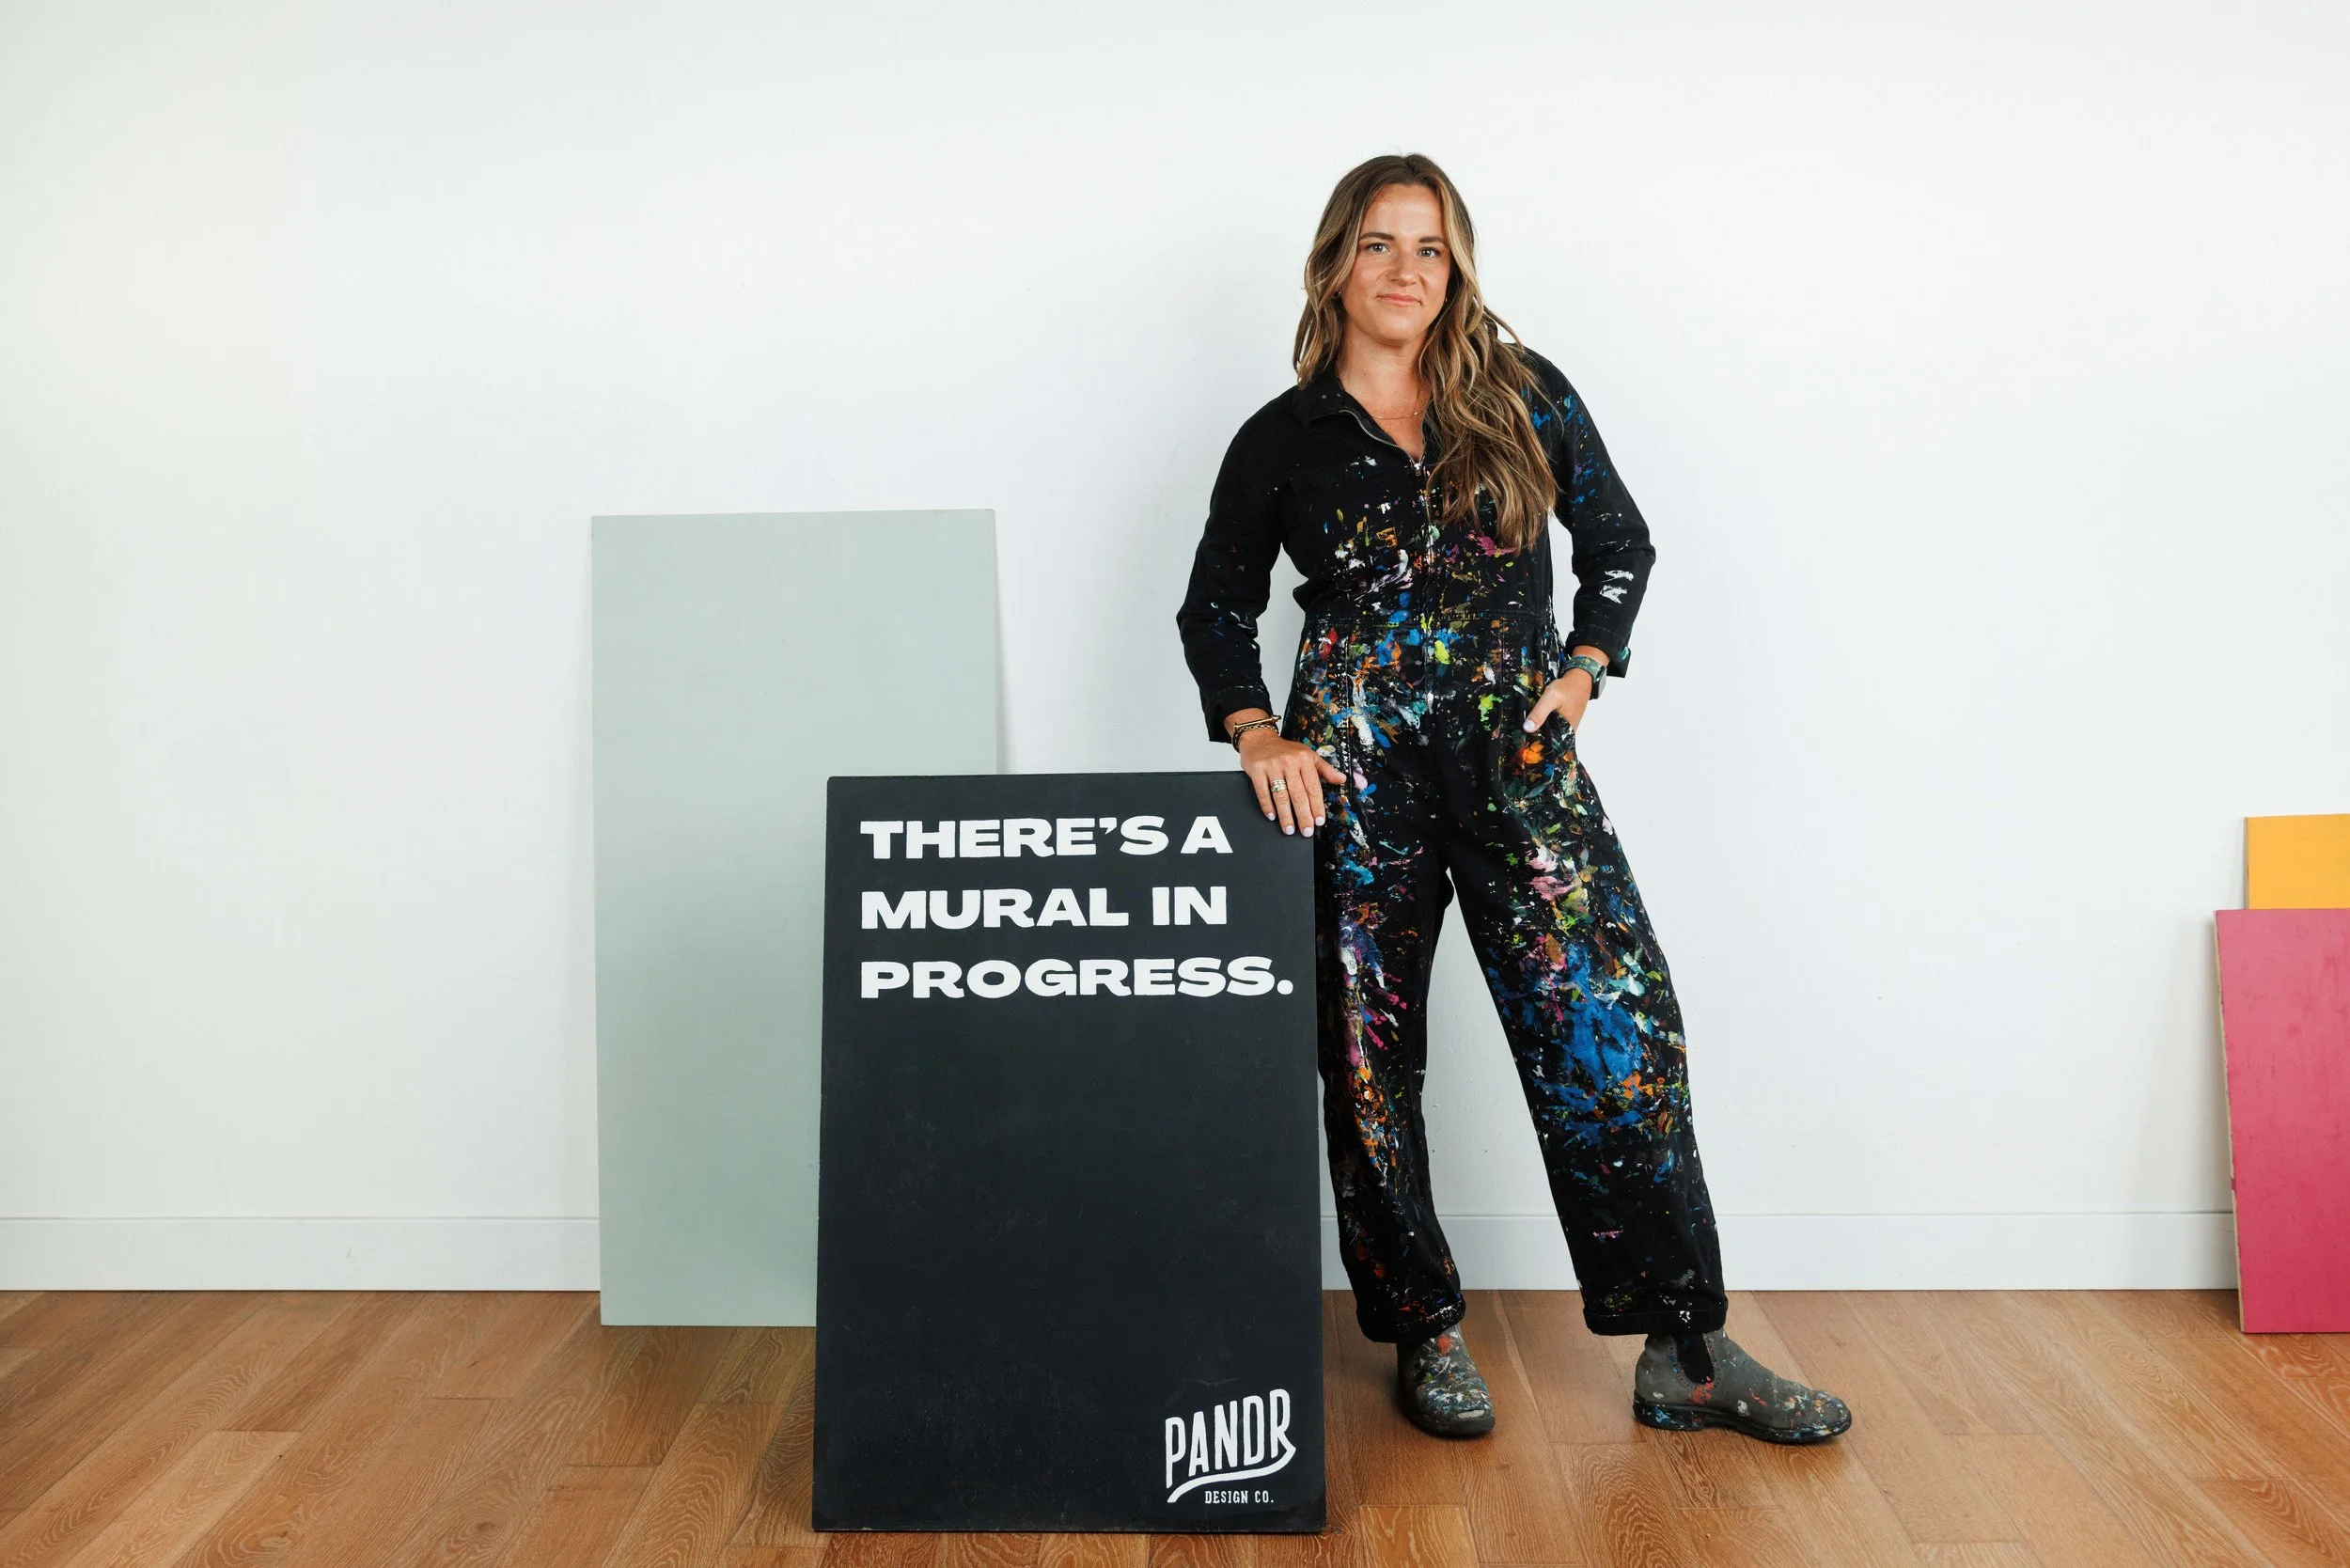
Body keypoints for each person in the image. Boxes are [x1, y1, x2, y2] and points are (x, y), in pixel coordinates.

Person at [1175, 154, 1850, 1445]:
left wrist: (1588, 666)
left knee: (1616, 1030)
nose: (1405, 272)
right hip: (1354, 781)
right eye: (1379, 245)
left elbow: (1619, 542)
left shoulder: (1525, 399)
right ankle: (1423, 1332)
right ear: (1335, 264)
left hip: (1519, 766)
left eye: (1429, 249)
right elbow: (1216, 606)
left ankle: (1687, 1353)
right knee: (1369, 1065)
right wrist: (1257, 730)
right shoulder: (1281, 438)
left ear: (1458, 266)